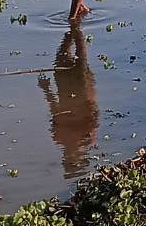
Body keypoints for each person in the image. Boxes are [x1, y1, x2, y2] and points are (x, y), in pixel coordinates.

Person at [37, 24, 99, 178]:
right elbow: (95, 113)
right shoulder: (87, 138)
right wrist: (47, 90)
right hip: (81, 89)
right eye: (75, 158)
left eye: (71, 159)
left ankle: (75, 24)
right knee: (75, 51)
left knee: (66, 53)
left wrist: (46, 90)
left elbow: (55, 111)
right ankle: (75, 23)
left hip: (71, 89)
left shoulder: (62, 138)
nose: (73, 155)